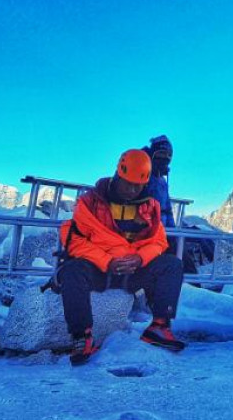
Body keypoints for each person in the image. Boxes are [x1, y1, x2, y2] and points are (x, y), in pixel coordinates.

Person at [58, 149, 186, 366]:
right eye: (128, 184)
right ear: (118, 174)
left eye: (138, 185)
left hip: (134, 271)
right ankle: (81, 336)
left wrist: (140, 259)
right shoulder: (90, 202)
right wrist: (107, 262)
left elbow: (159, 241)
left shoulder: (150, 206)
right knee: (72, 270)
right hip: (100, 270)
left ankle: (159, 326)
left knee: (172, 265)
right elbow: (74, 240)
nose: (133, 190)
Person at [139, 135, 214, 274]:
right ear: (152, 154)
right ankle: (192, 283)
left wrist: (173, 232)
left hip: (165, 231)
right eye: (161, 154)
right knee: (181, 258)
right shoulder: (143, 175)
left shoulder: (161, 181)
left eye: (169, 156)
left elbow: (167, 210)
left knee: (197, 236)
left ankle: (200, 278)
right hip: (150, 232)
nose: (165, 158)